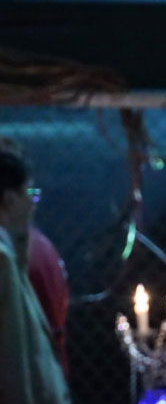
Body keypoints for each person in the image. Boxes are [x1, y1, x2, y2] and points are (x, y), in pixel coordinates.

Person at [0, 150, 71, 404]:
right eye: (30, 193)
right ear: (9, 200)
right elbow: (14, 358)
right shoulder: (3, 260)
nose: (34, 203)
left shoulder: (16, 253)